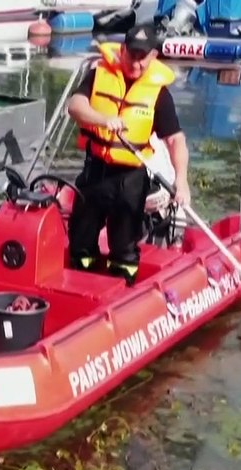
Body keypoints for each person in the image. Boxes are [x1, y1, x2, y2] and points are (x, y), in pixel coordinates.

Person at [65, 25, 191, 287]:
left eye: (141, 57)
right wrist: (103, 119)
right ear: (122, 51)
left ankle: (122, 291)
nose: (135, 62)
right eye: (131, 54)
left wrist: (182, 179)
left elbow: (175, 139)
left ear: (152, 56)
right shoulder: (97, 75)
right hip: (95, 171)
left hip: (130, 179)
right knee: (81, 242)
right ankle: (79, 283)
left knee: (124, 249)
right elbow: (75, 106)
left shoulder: (160, 95)